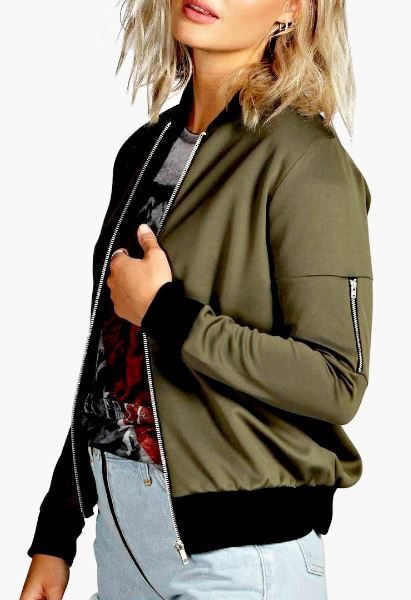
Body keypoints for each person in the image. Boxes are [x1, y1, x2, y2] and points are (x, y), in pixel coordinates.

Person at [20, 0, 373, 598]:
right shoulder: (145, 152)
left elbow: (336, 380)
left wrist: (165, 312)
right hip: (123, 537)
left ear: (292, 9)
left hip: (239, 555)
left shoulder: (305, 160)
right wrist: (57, 531)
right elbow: (109, 359)